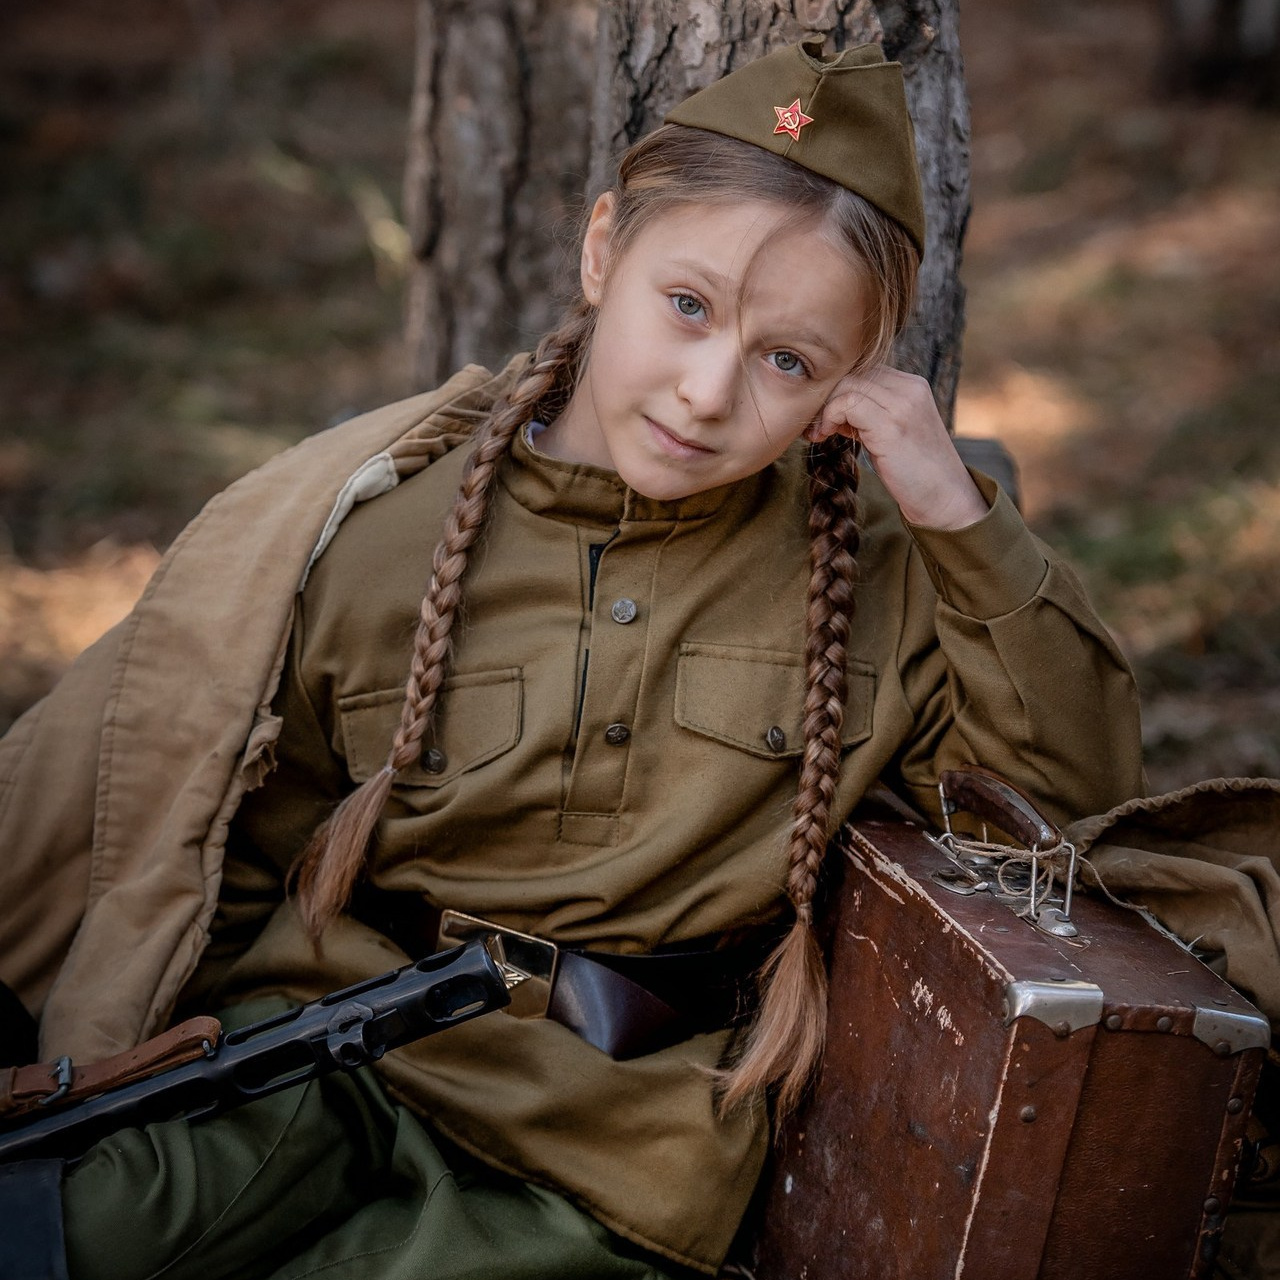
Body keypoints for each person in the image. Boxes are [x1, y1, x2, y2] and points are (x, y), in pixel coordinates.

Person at [0, 39, 1144, 1280]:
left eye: (787, 360)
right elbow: (236, 836)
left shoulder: (871, 573)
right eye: (687, 305)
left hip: (605, 1146)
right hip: (323, 1052)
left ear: (847, 384)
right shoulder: (386, 532)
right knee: (59, 1232)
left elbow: (1064, 801)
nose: (706, 392)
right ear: (602, 250)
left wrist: (953, 514)